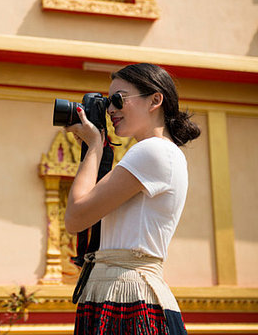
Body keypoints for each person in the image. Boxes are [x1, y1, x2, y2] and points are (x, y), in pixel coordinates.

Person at [64, 63, 200, 335]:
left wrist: (93, 146)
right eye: (108, 102)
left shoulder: (152, 151)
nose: (110, 110)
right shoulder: (161, 153)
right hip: (124, 288)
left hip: (127, 293)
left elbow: (76, 218)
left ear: (155, 99)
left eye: (118, 99)